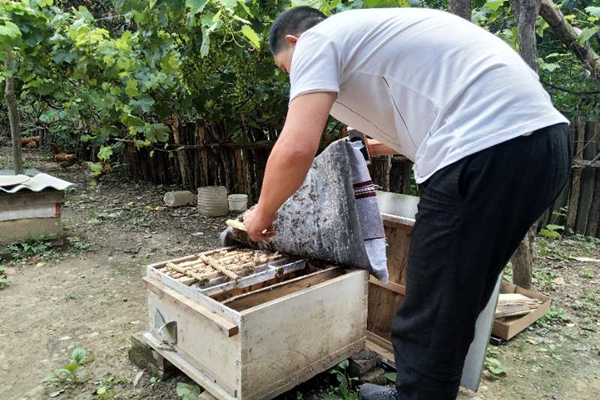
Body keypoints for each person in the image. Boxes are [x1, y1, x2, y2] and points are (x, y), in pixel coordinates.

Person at [242, 6, 571, 400]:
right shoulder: (368, 37)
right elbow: (411, 121)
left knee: (431, 310)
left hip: (483, 151)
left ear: (294, 42)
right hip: (543, 145)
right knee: (454, 301)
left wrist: (261, 214)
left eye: (286, 68)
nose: (293, 77)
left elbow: (296, 148)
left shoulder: (316, 41)